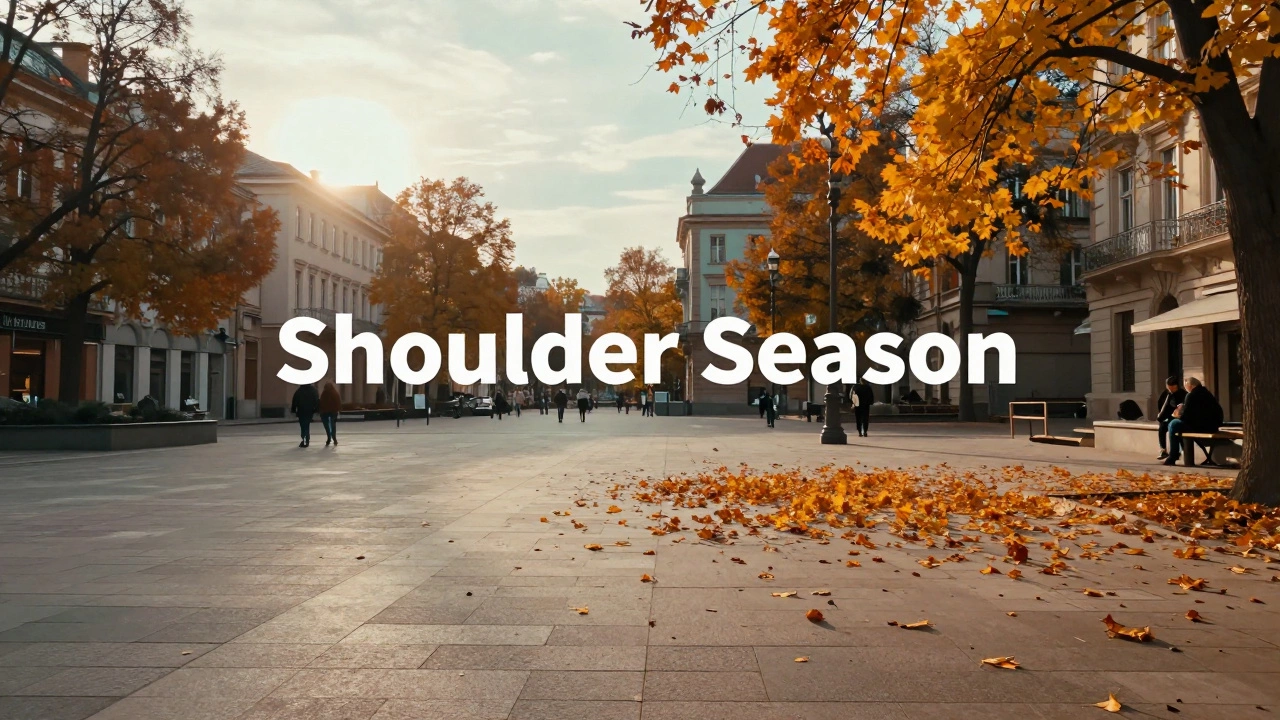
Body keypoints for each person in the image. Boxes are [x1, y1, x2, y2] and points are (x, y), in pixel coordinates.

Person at [1164, 377, 1224, 467]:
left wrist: (1178, 415)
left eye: (1186, 386)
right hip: (1212, 427)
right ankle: (1180, 451)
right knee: (1178, 426)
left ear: (1191, 386)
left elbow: (1186, 415)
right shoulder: (1208, 394)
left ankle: (1173, 455)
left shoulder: (1191, 395)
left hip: (1200, 427)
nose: (1185, 389)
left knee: (1173, 424)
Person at [1155, 376, 1188, 460]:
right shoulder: (1166, 394)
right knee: (1162, 427)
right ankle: (1163, 449)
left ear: (1176, 386)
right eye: (1169, 388)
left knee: (1175, 428)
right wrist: (1161, 417)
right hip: (1169, 416)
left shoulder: (1183, 394)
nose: (1171, 390)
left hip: (1179, 418)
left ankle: (1180, 451)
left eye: (1172, 388)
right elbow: (1162, 405)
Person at [290, 382, 320, 448]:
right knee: (306, 425)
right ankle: (306, 439)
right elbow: (317, 400)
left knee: (303, 426)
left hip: (301, 411)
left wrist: (293, 410)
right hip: (309, 411)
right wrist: (317, 410)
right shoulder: (313, 390)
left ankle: (305, 440)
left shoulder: (299, 390)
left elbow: (295, 401)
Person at [318, 381, 341, 447]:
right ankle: (334, 438)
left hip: (325, 412)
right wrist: (338, 410)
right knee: (333, 425)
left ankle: (329, 437)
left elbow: (321, 403)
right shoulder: (335, 393)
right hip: (333, 412)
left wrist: (320, 411)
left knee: (327, 426)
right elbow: (338, 402)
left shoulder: (324, 394)